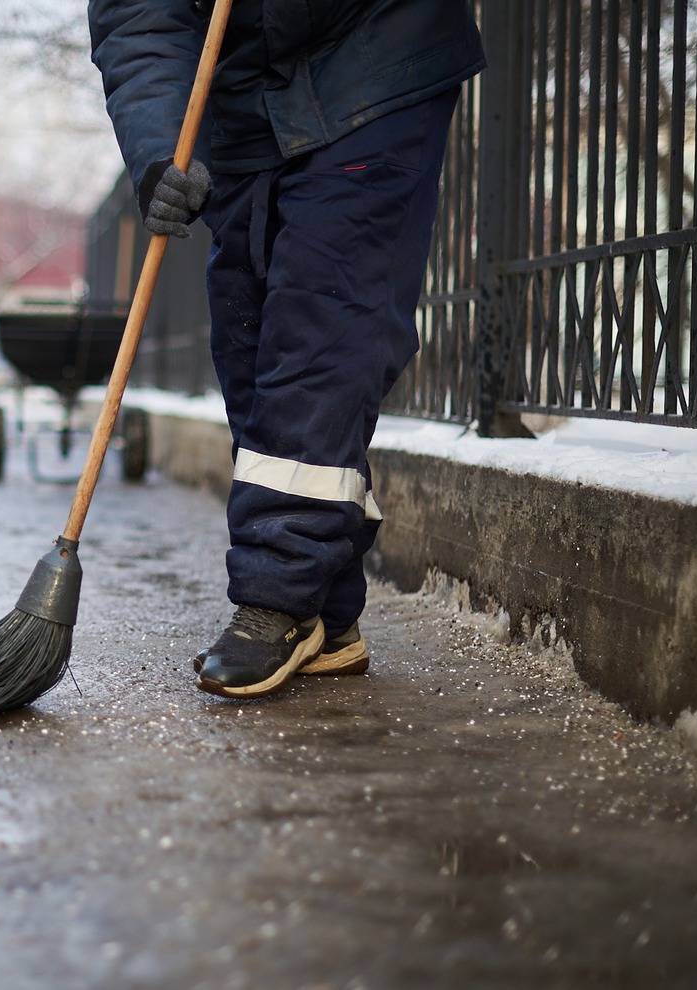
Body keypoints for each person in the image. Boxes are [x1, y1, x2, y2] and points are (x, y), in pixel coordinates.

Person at [88, 0, 485, 699]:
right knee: (248, 348)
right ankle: (326, 616)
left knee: (321, 333)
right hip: (244, 113)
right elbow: (140, 18)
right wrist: (159, 152)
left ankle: (277, 596)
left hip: (373, 64)